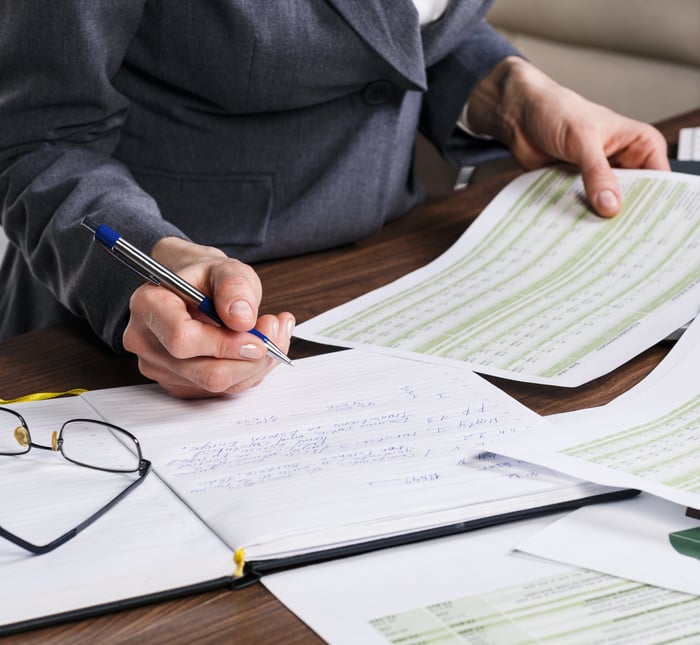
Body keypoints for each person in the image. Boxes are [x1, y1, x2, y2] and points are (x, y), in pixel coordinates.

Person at [0, 2, 669, 399]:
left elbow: (400, 24)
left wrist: (504, 92)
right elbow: (37, 134)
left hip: (395, 289)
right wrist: (149, 257)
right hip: (157, 328)